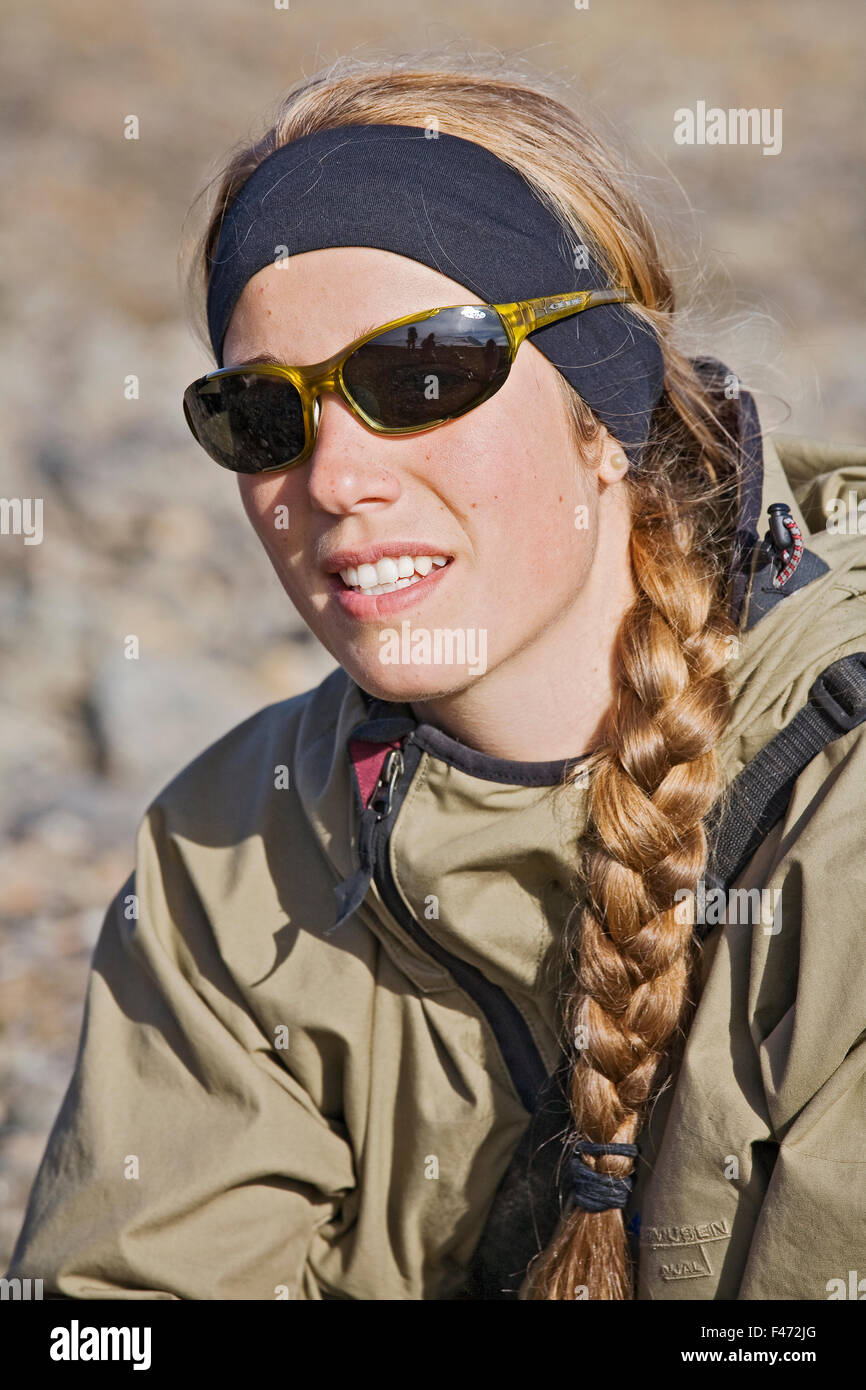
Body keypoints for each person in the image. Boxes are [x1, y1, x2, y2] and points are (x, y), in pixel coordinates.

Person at [7, 57, 866, 1302]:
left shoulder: (837, 809)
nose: (335, 477)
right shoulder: (232, 850)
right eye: (262, 415)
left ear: (602, 413)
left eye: (417, 377)